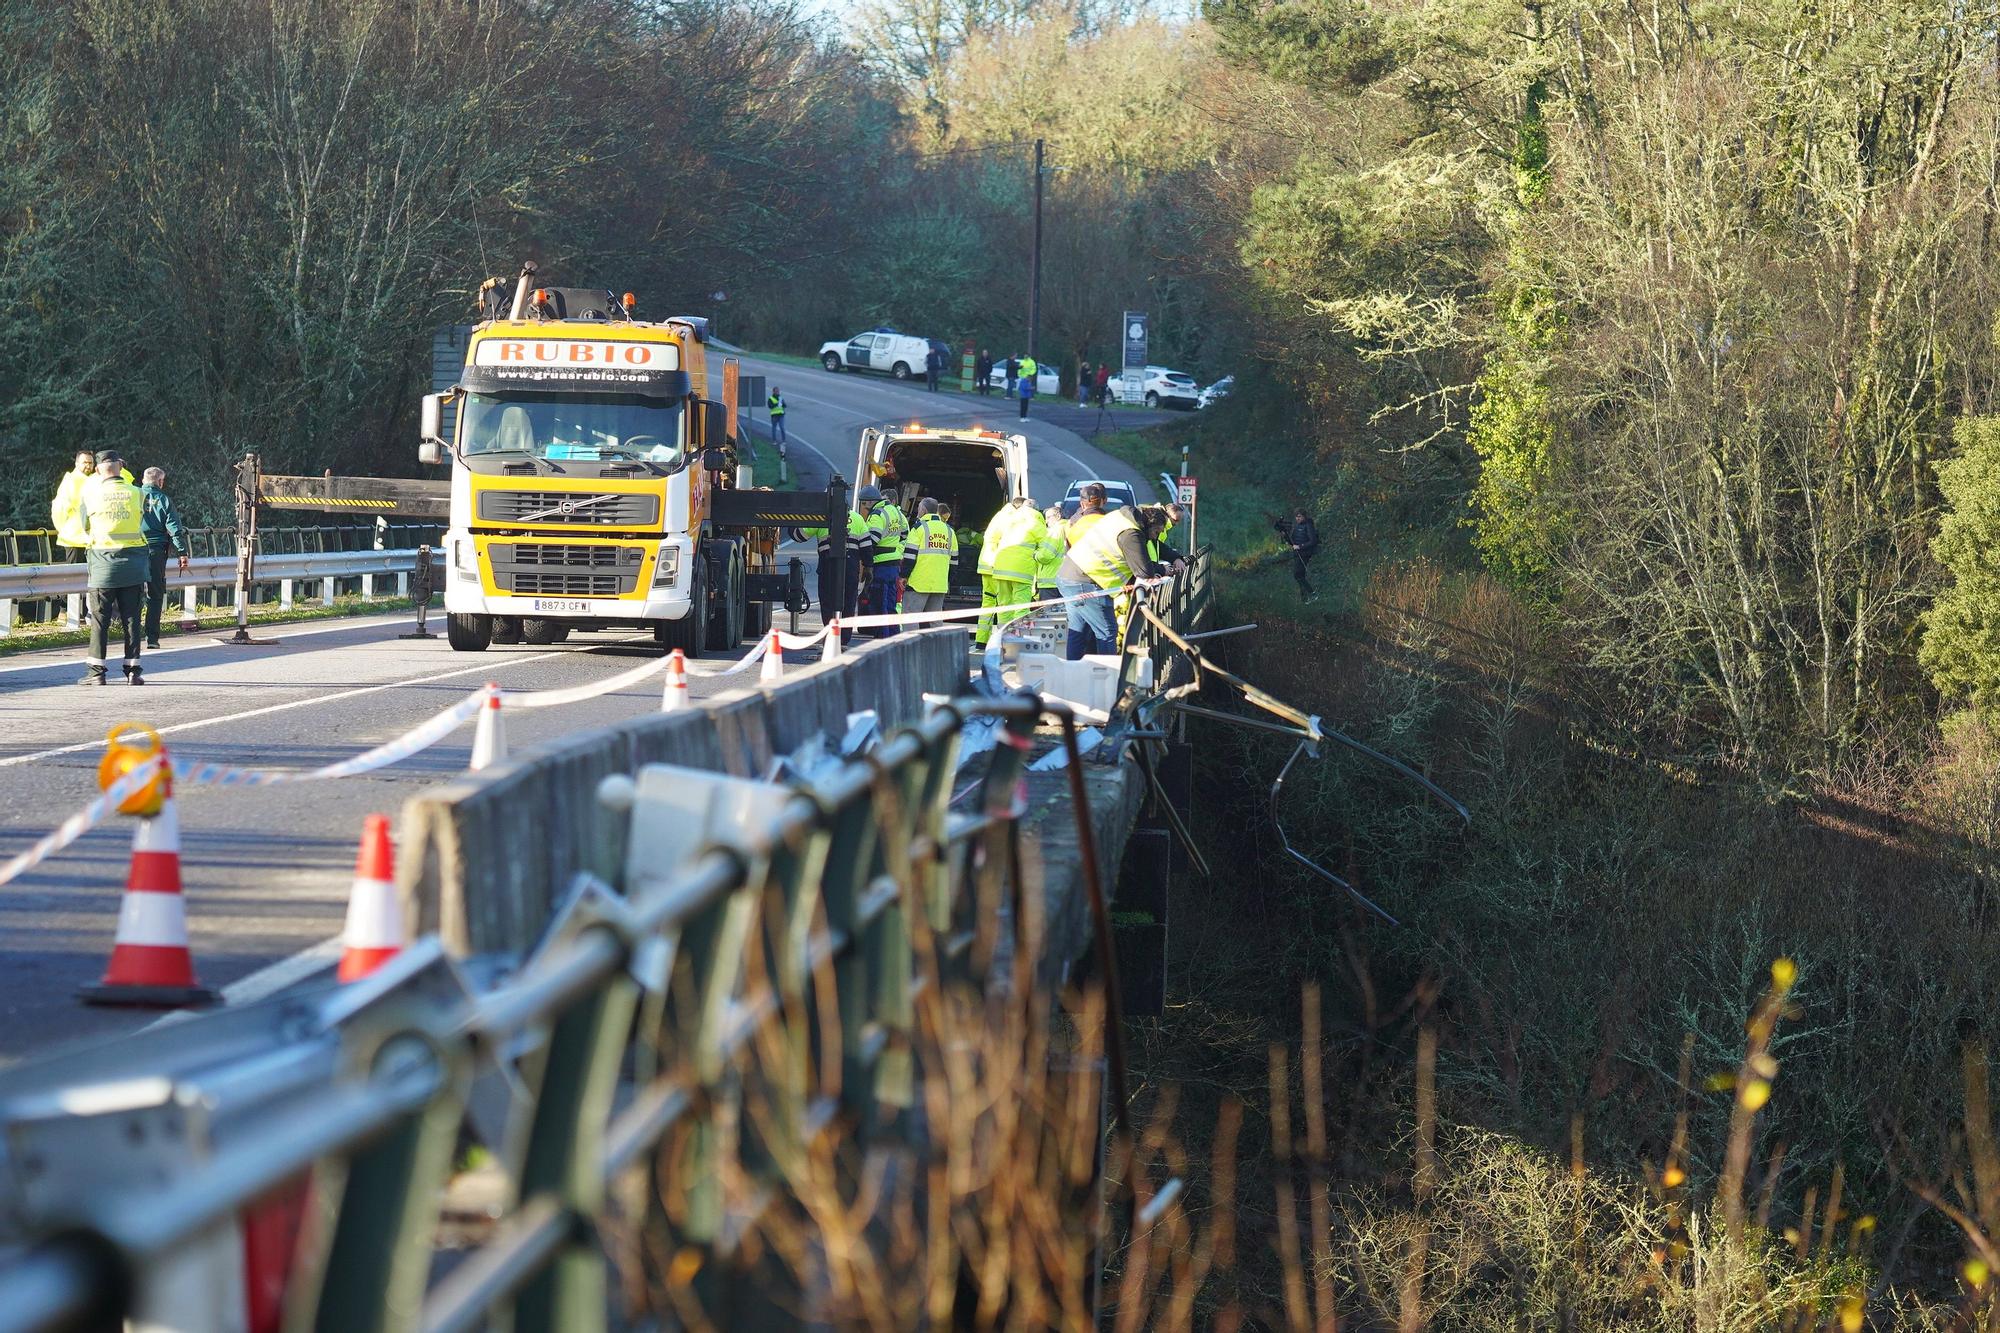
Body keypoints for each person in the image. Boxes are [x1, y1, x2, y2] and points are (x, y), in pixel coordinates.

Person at [1057, 501, 1181, 661]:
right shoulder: (1132, 534)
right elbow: (1143, 571)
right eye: (1156, 532)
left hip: (1070, 575)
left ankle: (1074, 672)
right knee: (1108, 632)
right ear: (1150, 525)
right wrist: (1163, 570)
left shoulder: (1121, 516)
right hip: (1086, 581)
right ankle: (1109, 678)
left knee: (1078, 630)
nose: (1155, 537)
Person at [78, 453, 150, 685]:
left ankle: (96, 673)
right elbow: (142, 521)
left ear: (97, 470)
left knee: (100, 620)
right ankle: (132, 672)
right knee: (132, 619)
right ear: (120, 467)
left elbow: (85, 525)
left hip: (102, 565)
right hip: (133, 565)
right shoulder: (137, 493)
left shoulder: (90, 495)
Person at [797, 501, 875, 642]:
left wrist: (794, 521)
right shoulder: (857, 519)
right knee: (849, 602)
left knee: (827, 602)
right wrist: (868, 567)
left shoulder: (821, 518)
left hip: (828, 566)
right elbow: (866, 548)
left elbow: (799, 536)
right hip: (851, 568)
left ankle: (831, 635)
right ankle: (844, 639)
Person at [977, 494, 1045, 647]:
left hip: (998, 567)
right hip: (1015, 570)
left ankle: (998, 639)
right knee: (1020, 605)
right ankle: (1016, 641)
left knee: (1001, 606)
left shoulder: (1007, 519)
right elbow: (1046, 549)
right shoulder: (1033, 521)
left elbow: (990, 538)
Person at [139, 467, 191, 649]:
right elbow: (174, 528)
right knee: (155, 594)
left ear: (143, 480)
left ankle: (131, 636)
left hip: (134, 550)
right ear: (160, 482)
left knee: (134, 594)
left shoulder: (133, 497)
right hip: (156, 552)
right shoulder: (164, 500)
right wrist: (182, 553)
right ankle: (152, 638)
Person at [902, 498, 958, 615]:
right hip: (940, 584)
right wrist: (947, 580)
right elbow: (954, 562)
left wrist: (903, 576)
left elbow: (909, 556)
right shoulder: (949, 531)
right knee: (934, 622)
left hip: (918, 584)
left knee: (910, 617)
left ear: (923, 510)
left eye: (919, 508)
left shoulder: (918, 528)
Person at [52, 452, 97, 564]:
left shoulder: (93, 480)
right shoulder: (71, 481)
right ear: (77, 463)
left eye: (90, 462)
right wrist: (64, 529)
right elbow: (59, 510)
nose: (88, 465)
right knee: (75, 577)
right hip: (74, 538)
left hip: (91, 539)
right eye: (85, 462)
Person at [1276, 508, 1320, 602]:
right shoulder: (1297, 526)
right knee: (1301, 575)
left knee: (1297, 575)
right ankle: (1304, 599)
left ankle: (1312, 594)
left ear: (1304, 516)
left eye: (1299, 516)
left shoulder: (1308, 525)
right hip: (1297, 553)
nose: (1297, 518)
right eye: (1296, 516)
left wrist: (1300, 546)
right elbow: (1292, 542)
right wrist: (1285, 536)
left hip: (1305, 553)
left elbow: (1313, 541)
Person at [1036, 504, 1068, 596]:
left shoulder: (1055, 530)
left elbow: (1045, 556)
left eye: (1048, 517)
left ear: (1058, 516)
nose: (1046, 521)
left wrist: (1035, 555)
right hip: (1067, 581)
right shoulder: (1070, 528)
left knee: (1049, 610)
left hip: (1050, 581)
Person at [1016, 354, 1038, 421]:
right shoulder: (1024, 381)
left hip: (1026, 396)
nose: (1030, 379)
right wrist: (1031, 388)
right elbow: (1024, 388)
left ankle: (1025, 417)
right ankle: (1022, 417)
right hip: (1023, 396)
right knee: (1023, 407)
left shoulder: (1027, 381)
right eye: (1030, 378)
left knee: (1026, 407)